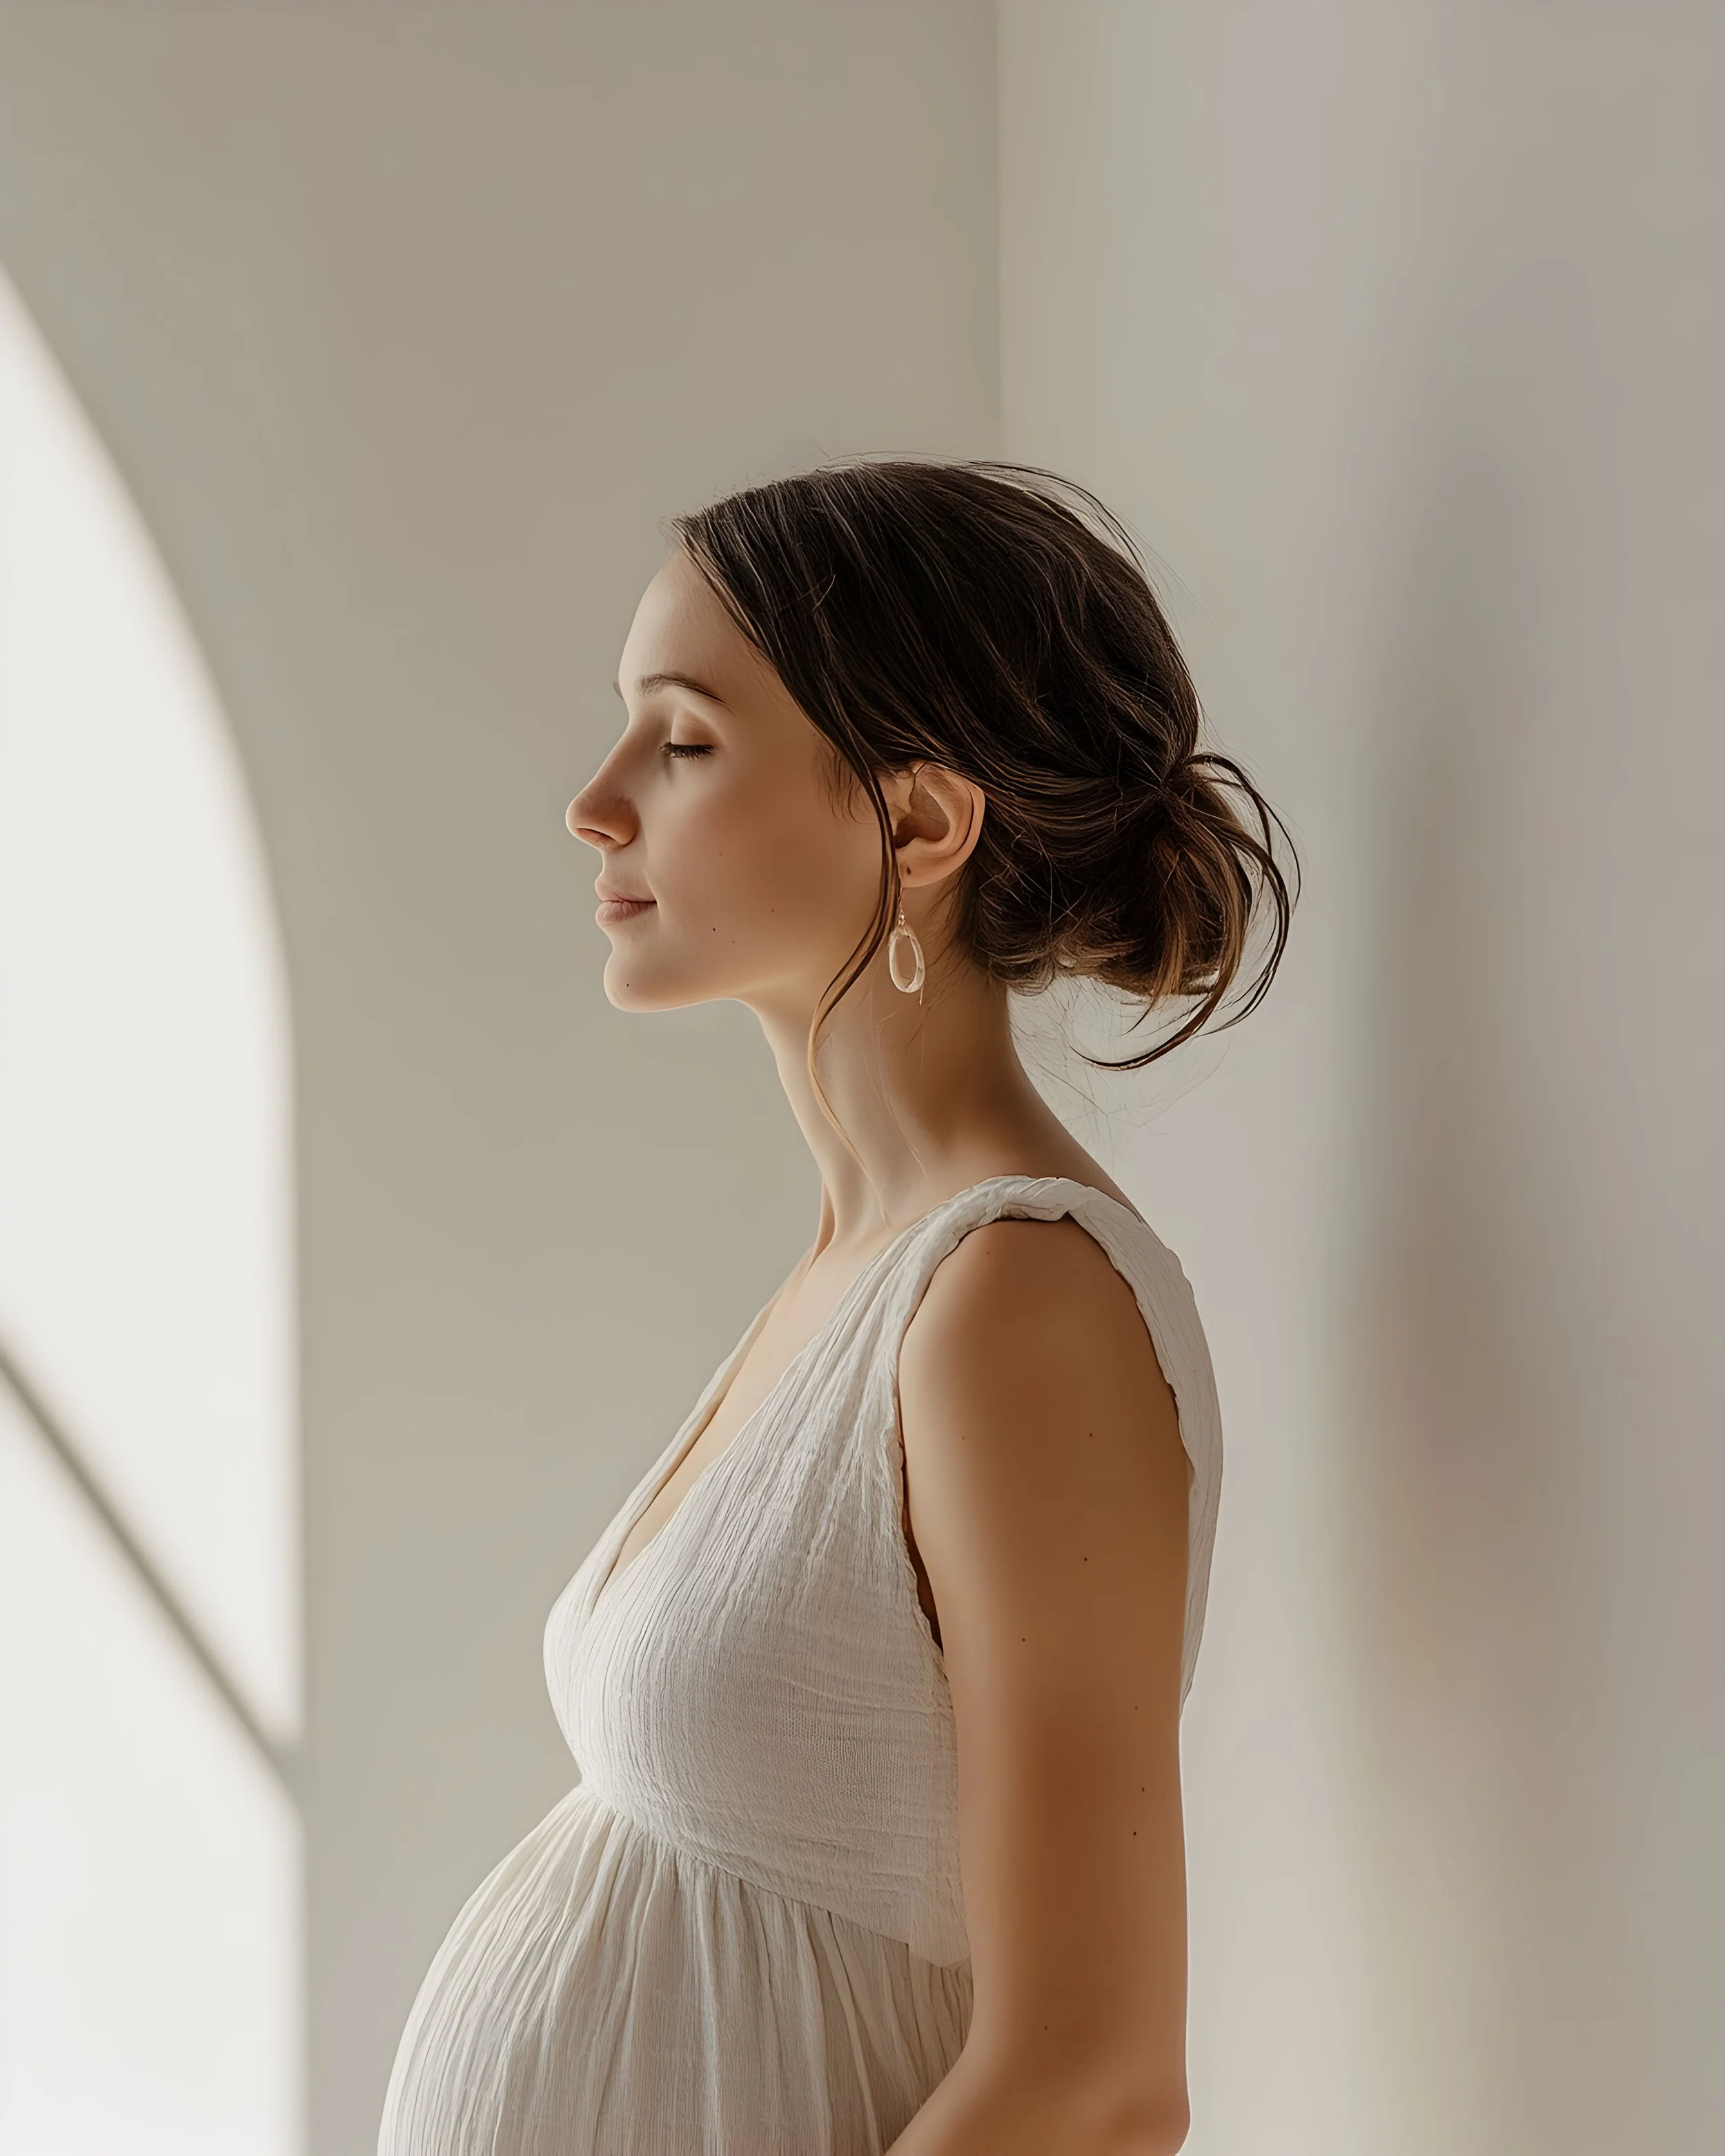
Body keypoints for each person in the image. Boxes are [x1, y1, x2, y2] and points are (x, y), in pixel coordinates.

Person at [377, 457, 1296, 2156]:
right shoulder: (857, 1269)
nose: (593, 800)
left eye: (683, 737)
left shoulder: (1017, 1300)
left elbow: (1092, 2079)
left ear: (920, 823)